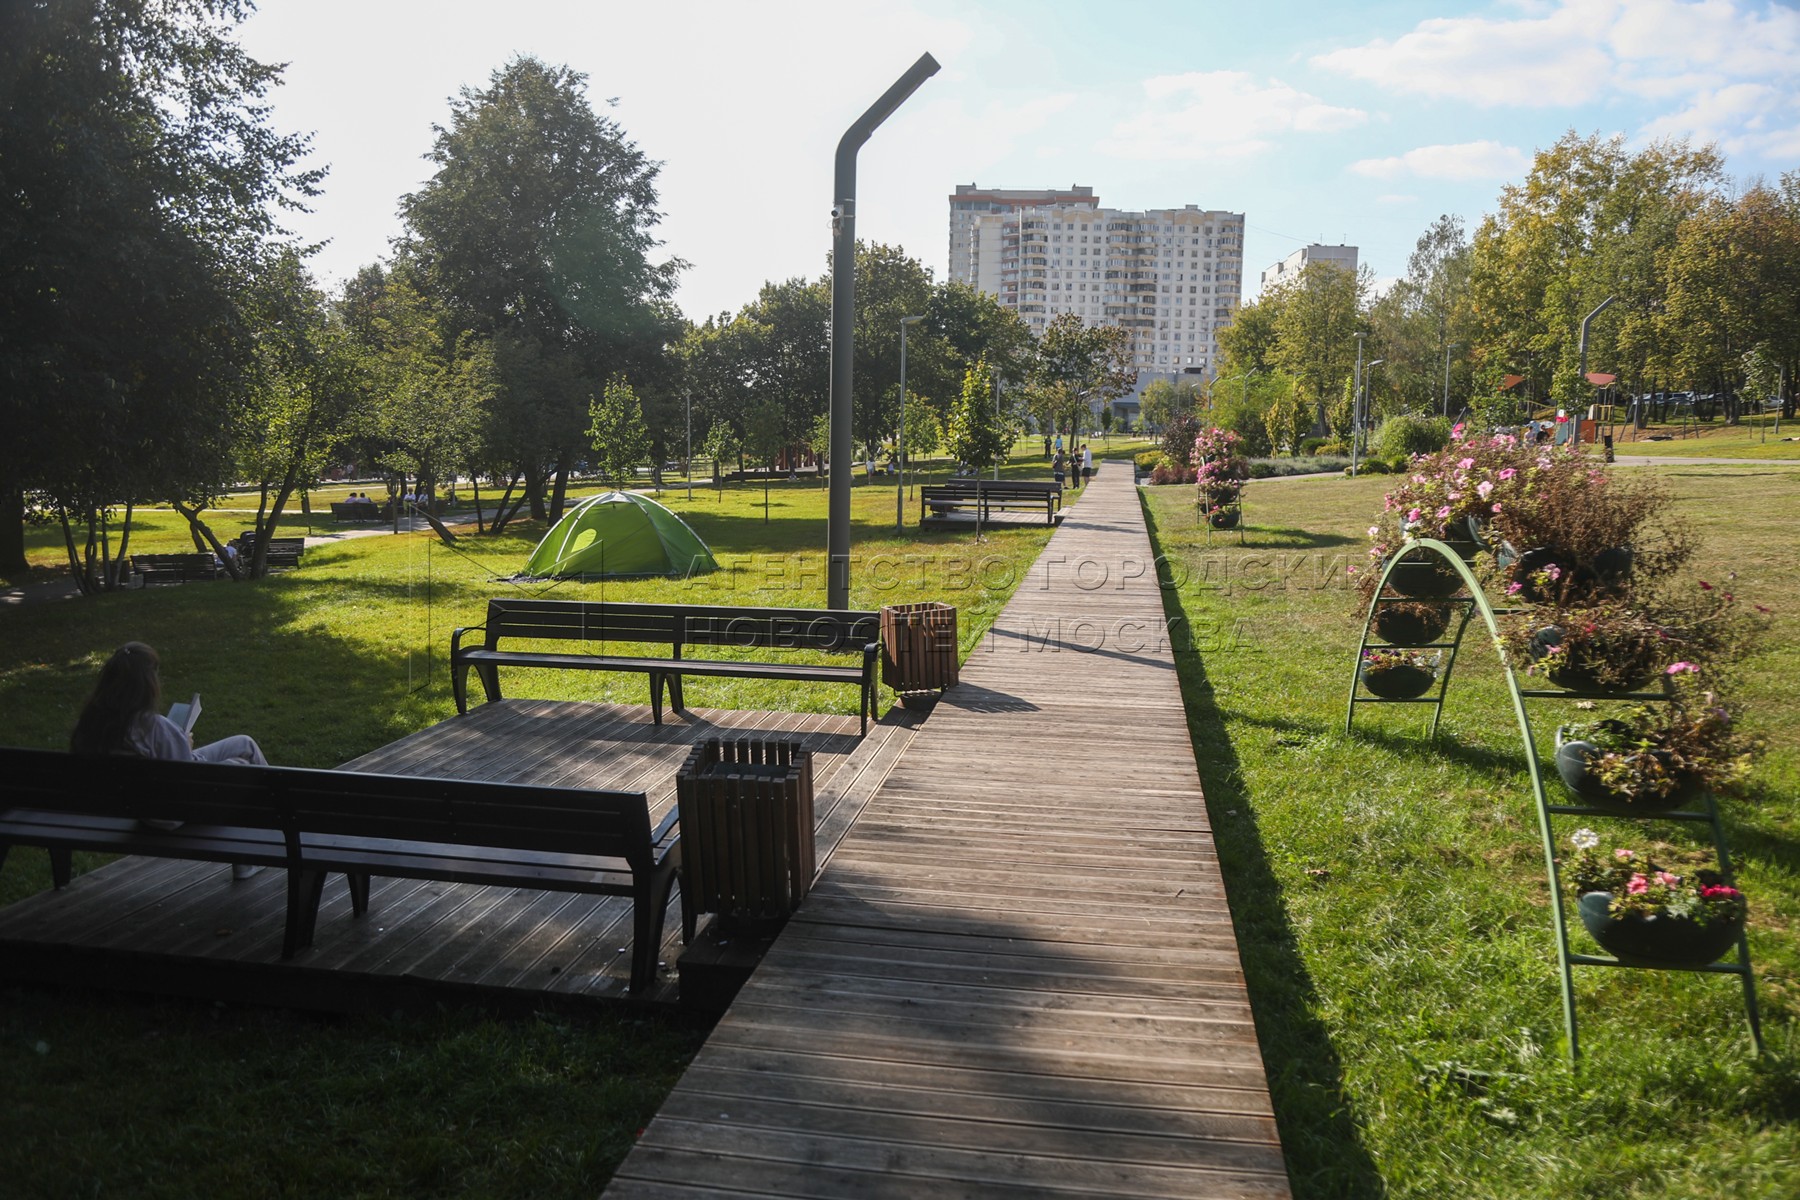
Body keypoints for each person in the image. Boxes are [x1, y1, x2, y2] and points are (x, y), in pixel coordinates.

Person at [70, 642, 270, 878]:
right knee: (241, 768)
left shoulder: (89, 724)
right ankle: (256, 848)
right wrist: (185, 744)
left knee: (244, 743)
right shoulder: (152, 726)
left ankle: (254, 848)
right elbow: (188, 778)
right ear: (146, 683)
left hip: (136, 805)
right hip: (170, 813)